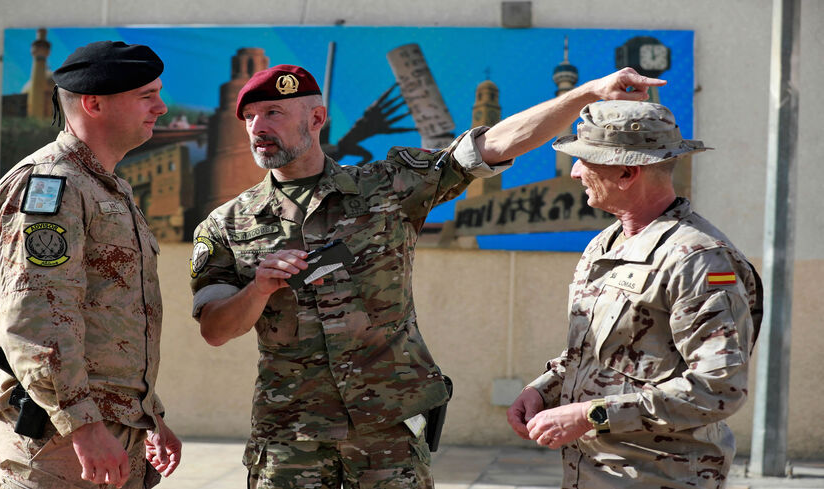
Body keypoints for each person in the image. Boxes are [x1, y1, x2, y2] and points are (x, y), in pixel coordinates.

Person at [189, 64, 664, 488]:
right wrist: (258, 289)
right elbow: (214, 329)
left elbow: (493, 144)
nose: (258, 128)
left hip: (388, 440)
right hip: (289, 443)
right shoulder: (226, 225)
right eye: (249, 117)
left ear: (316, 119)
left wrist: (585, 94)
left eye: (272, 112)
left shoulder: (389, 186)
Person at [506, 100, 762, 488]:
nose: (575, 172)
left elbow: (719, 389)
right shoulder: (606, 244)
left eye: (585, 160)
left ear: (627, 172)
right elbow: (600, 356)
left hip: (660, 476)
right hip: (593, 473)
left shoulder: (699, 260)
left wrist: (587, 416)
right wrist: (543, 390)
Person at [0, 40, 181, 489]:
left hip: (114, 427)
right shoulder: (52, 186)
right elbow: (36, 316)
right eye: (146, 95)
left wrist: (151, 415)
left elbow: (115, 322)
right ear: (93, 103)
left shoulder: (110, 190)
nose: (162, 107)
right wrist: (83, 426)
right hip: (61, 437)